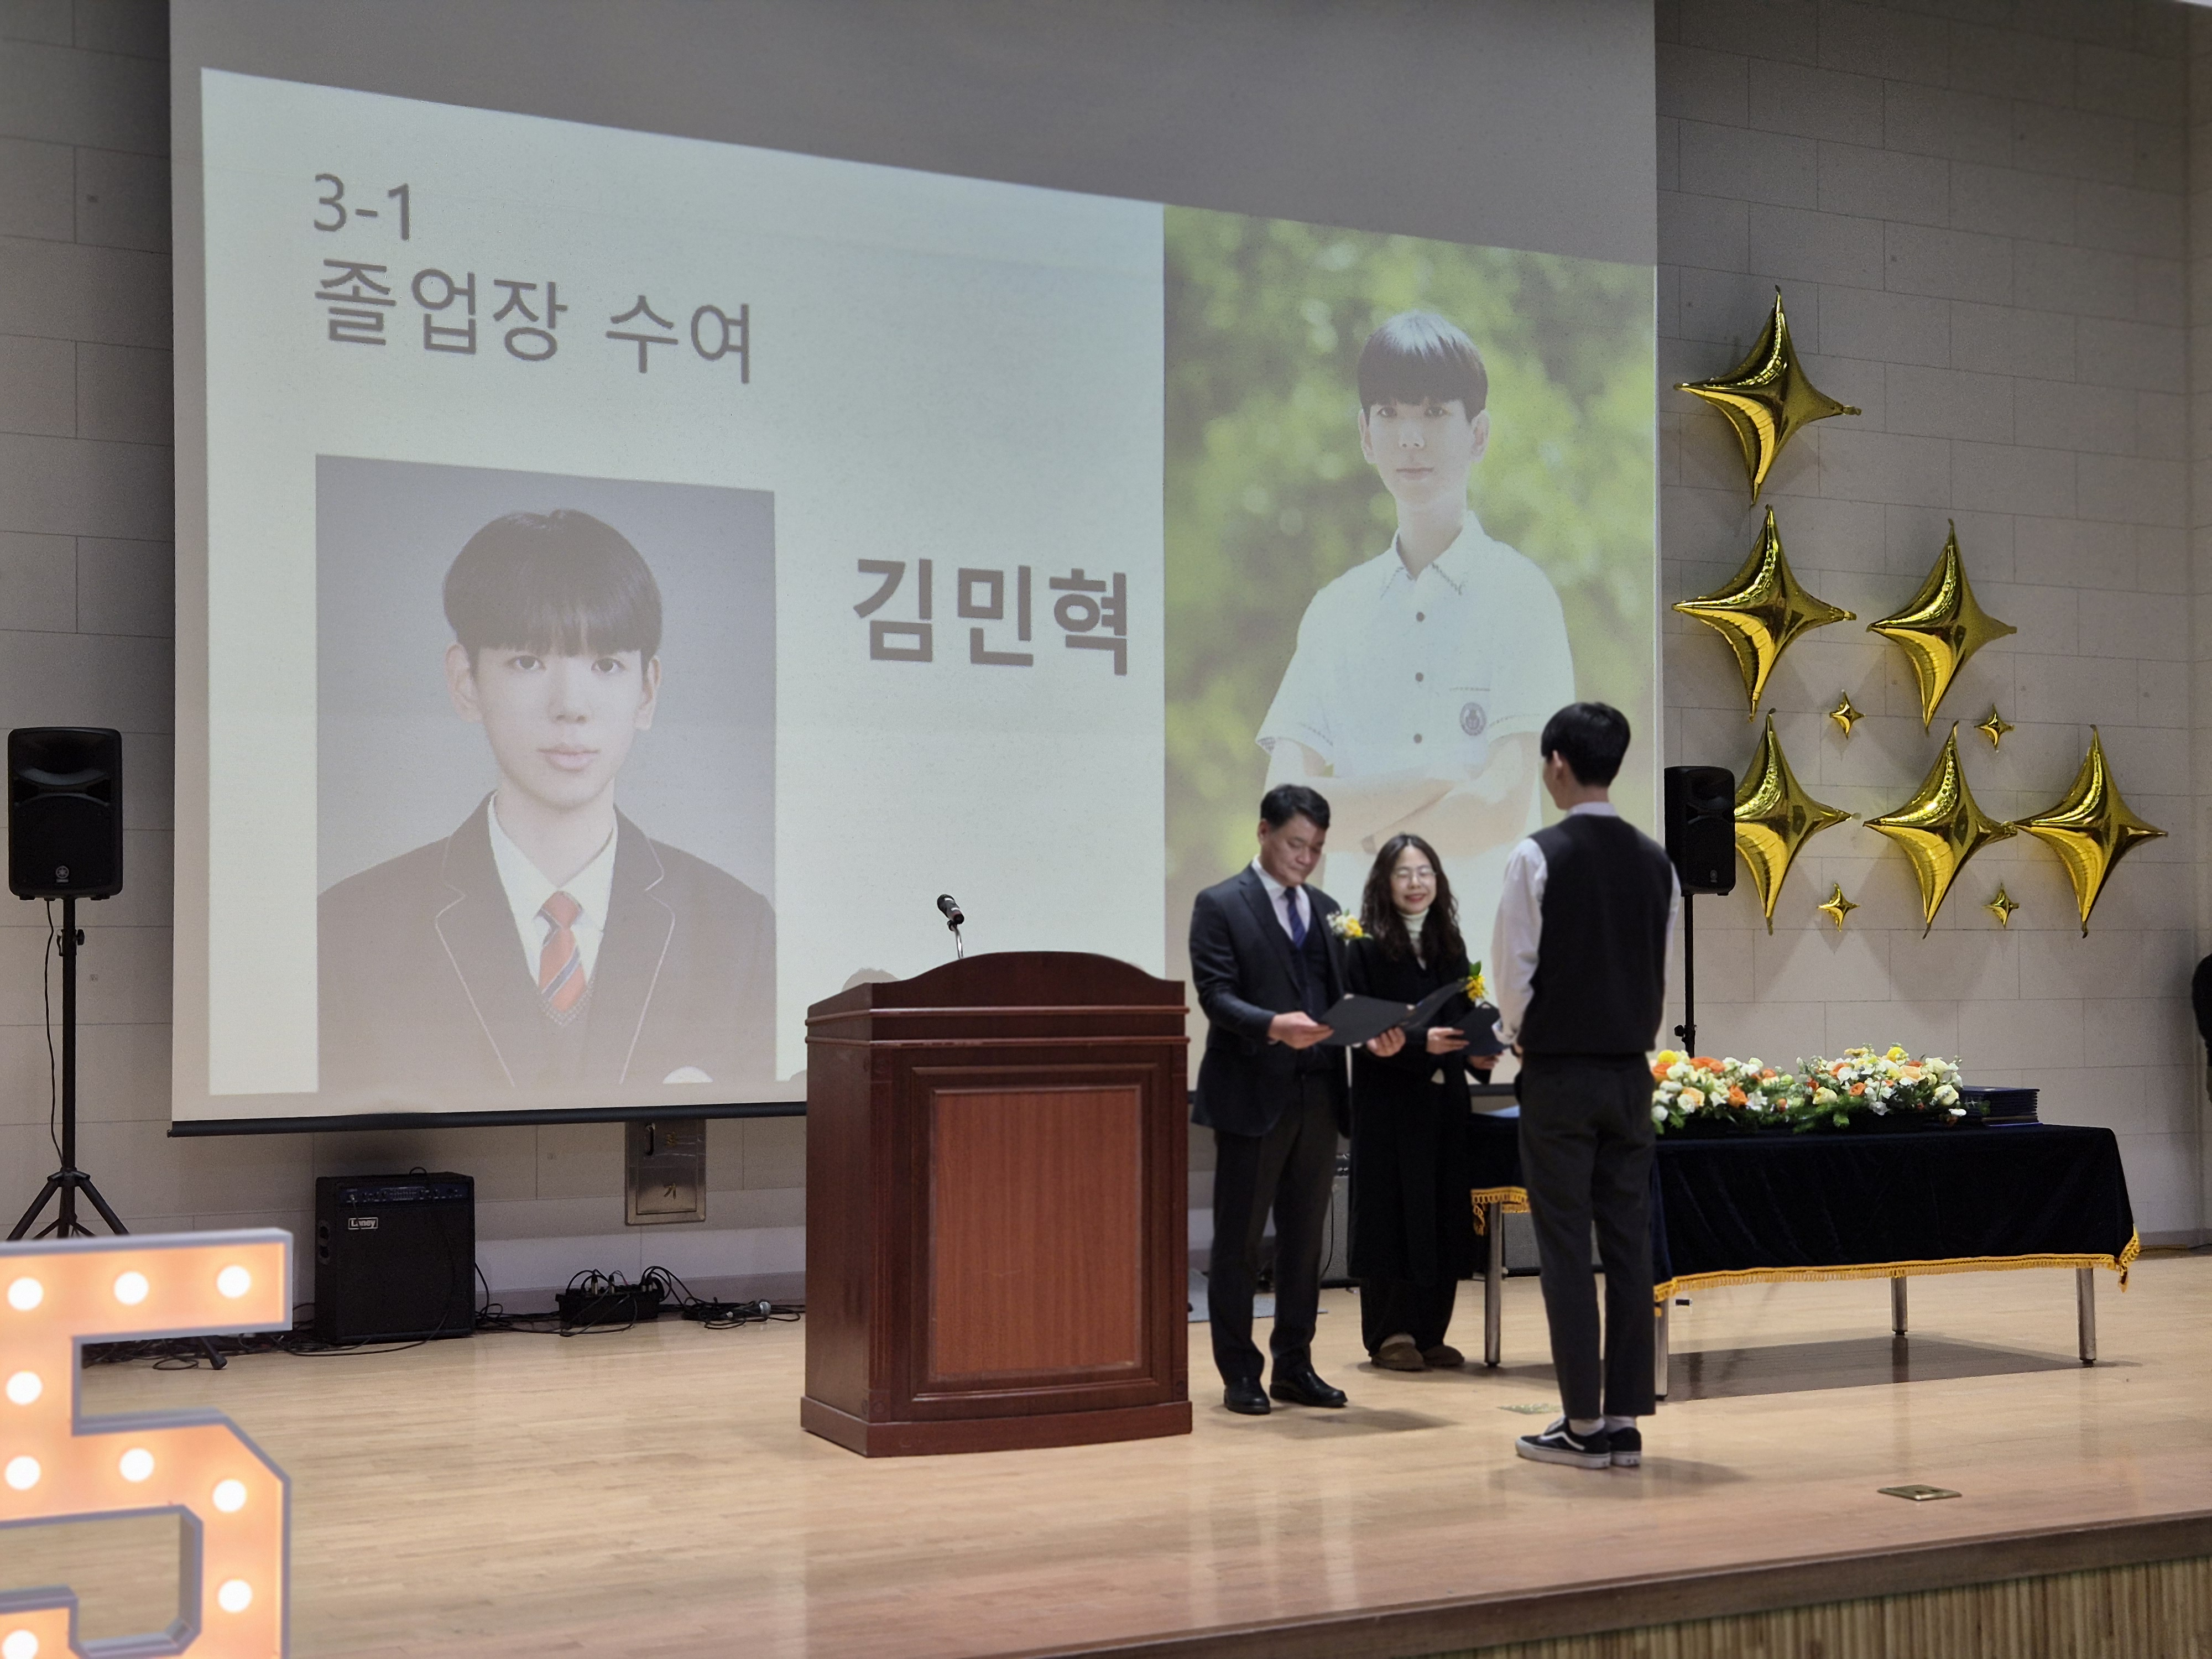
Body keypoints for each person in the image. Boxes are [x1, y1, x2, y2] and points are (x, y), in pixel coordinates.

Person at [319, 509, 775, 1102]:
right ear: (465, 682)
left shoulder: (735, 929)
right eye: (528, 662)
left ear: (646, 691)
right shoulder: (353, 928)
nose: (571, 706)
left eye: (606, 665)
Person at [1257, 310, 1575, 930]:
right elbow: (1282, 812)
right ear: (1365, 435)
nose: (1410, 437)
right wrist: (1437, 778)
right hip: (1359, 962)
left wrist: (1358, 833)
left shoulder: (1521, 596)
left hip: (1485, 953)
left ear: (1478, 434)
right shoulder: (1334, 610)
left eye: (1433, 412)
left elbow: (1500, 805)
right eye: (1389, 413)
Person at [1491, 702, 1676, 1471]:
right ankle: (1625, 1420)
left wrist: (1516, 1036)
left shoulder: (1535, 855)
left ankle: (1581, 1422)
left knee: (1566, 1247)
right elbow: (1655, 968)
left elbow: (1513, 974)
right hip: (1631, 1074)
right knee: (1629, 1243)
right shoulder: (1656, 861)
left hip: (1560, 1074)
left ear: (1558, 763)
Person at [1188, 783, 1370, 1416]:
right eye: (1296, 844)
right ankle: (1240, 1371)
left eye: (1316, 848)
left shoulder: (1326, 909)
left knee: (1303, 1240)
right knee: (1239, 1242)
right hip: (1251, 1096)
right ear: (1263, 831)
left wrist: (1371, 1028)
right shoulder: (1219, 903)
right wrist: (1272, 1025)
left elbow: (1340, 996)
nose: (1305, 858)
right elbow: (1215, 995)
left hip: (1319, 1093)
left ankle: (1295, 1364)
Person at [1344, 833, 1492, 1373]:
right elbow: (1356, 1027)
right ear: (1384, 883)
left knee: (1443, 1211)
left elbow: (1465, 1019)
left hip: (1443, 1103)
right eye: (1403, 873)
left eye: (1425, 871)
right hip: (1388, 1104)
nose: (1415, 883)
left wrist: (1480, 1052)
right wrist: (1415, 1042)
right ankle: (1391, 1334)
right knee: (1390, 1215)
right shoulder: (1363, 949)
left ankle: (1430, 1332)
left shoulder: (1450, 947)